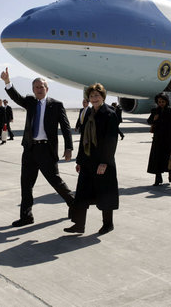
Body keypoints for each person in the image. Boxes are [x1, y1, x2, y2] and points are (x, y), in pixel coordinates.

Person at [0, 68, 74, 227]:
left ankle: (74, 206)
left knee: (56, 181)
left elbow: (66, 127)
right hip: (29, 149)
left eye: (42, 87)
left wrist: (69, 148)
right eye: (36, 87)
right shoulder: (30, 102)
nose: (39, 90)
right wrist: (7, 82)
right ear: (33, 90)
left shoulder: (56, 105)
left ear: (47, 89)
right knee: (26, 184)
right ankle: (26, 216)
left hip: (46, 150)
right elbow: (16, 97)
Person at [64, 83, 119, 235]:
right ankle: (78, 225)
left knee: (105, 193)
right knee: (82, 193)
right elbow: (84, 138)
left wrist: (105, 162)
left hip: (102, 161)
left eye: (97, 95)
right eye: (92, 96)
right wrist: (79, 161)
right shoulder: (88, 113)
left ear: (103, 97)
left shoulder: (110, 113)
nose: (94, 98)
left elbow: (111, 140)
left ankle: (108, 224)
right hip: (87, 161)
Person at [146, 93, 171, 186]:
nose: (161, 103)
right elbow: (149, 121)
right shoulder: (155, 111)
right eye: (159, 102)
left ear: (166, 101)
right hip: (158, 138)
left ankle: (170, 173)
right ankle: (158, 178)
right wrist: (154, 119)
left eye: (163, 102)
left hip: (168, 139)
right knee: (157, 158)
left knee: (169, 158)